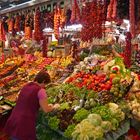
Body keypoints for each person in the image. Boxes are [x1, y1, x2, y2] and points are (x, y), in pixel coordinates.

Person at [4, 70, 59, 140]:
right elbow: (46, 110)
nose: (44, 86)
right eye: (45, 84)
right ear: (43, 81)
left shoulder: (26, 86)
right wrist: (54, 107)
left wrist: (47, 105)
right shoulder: (41, 91)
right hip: (24, 123)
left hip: (14, 119)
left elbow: (28, 102)